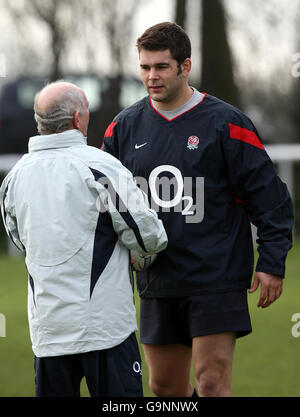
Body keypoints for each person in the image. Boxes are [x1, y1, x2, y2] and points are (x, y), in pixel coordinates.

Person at [102, 22, 294, 397]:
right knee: (165, 388)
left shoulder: (226, 123)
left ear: (185, 67)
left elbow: (269, 197)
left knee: (211, 382)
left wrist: (272, 262)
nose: (151, 76)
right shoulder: (122, 128)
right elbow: (107, 204)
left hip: (215, 277)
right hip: (158, 279)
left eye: (161, 67)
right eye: (144, 67)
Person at [0, 80, 168, 397]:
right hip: (105, 332)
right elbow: (149, 238)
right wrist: (137, 255)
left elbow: (21, 243)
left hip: (47, 332)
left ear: (40, 122)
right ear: (79, 119)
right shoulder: (101, 166)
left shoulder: (13, 178)